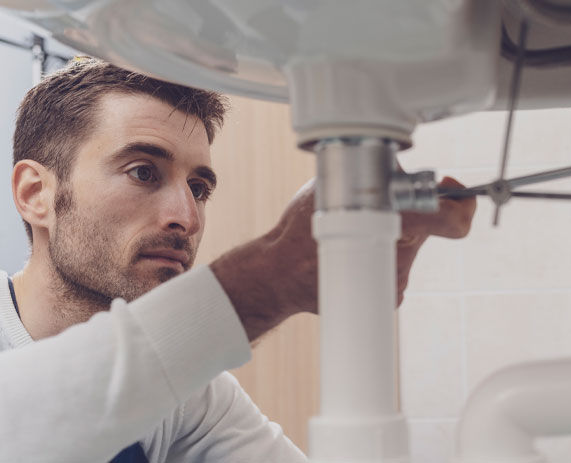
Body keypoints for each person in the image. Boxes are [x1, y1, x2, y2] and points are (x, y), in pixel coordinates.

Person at [0, 58, 476, 462]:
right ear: (36, 193)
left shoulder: (189, 393)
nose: (186, 217)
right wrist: (271, 277)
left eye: (199, 188)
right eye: (143, 172)